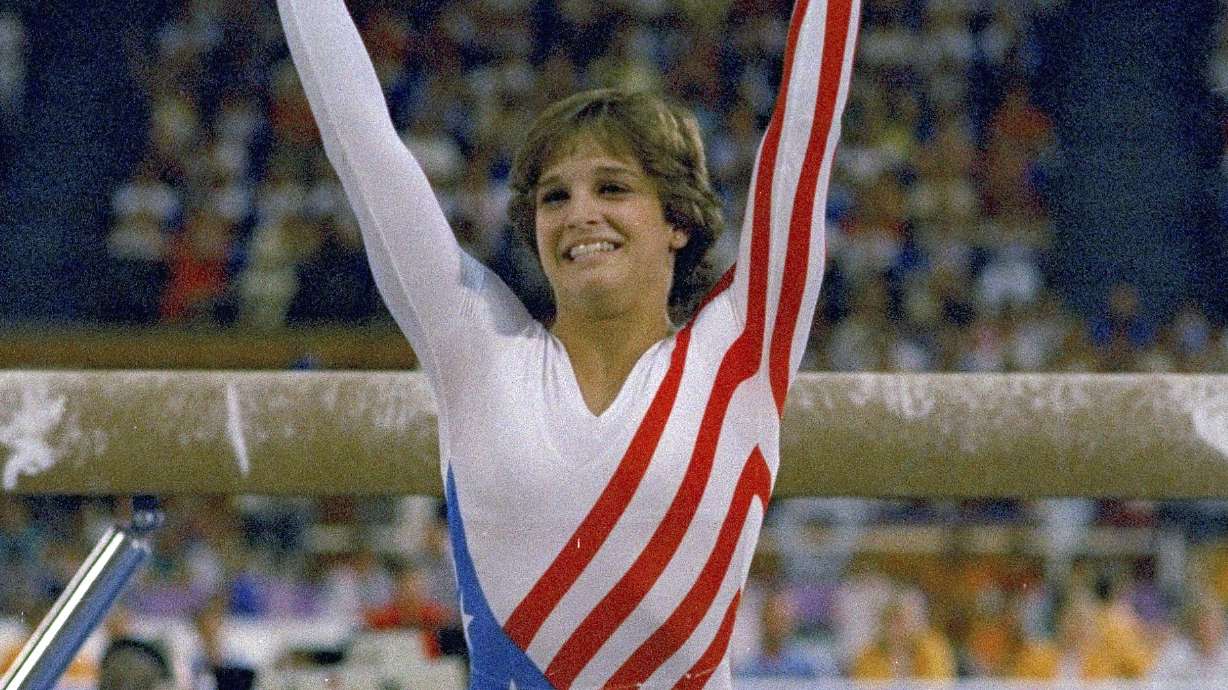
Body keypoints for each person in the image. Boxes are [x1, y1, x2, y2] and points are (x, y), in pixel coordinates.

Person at [276, 0, 859, 686]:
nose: (580, 213)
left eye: (611, 187)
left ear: (677, 219)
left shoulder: (740, 357)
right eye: (554, 198)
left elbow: (805, 136)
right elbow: (362, 143)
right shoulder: (478, 351)